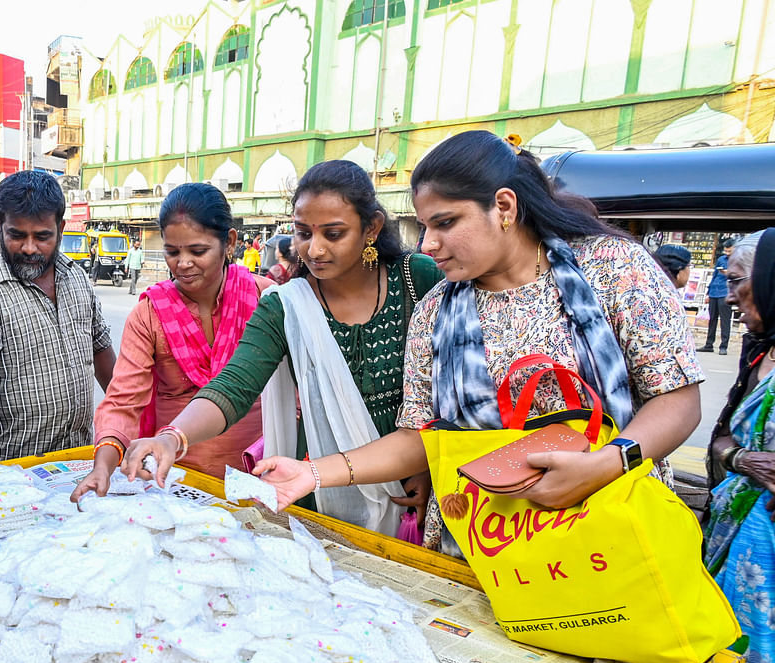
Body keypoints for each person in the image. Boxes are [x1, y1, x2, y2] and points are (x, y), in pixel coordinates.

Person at [223, 130, 702, 555]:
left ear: (505, 208)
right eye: (424, 226)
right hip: (483, 543)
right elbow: (418, 438)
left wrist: (606, 464)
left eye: (445, 223)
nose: (427, 243)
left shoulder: (611, 269)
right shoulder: (438, 309)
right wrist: (314, 474)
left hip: (609, 533)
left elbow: (677, 400)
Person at [124, 160, 442, 535]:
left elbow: (445, 389)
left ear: (370, 227)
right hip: (315, 479)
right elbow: (234, 386)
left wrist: (425, 464)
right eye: (304, 233)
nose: (316, 249)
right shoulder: (286, 306)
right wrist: (172, 437)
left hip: (410, 479)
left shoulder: (417, 278)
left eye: (334, 234)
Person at [73, 184, 269, 499]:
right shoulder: (150, 314)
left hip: (259, 477)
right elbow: (124, 401)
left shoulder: (264, 299)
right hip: (177, 480)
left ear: (229, 242)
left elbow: (297, 394)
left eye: (198, 251)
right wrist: (103, 466)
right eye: (172, 252)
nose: (183, 263)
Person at [0, 169, 117, 474]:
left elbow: (100, 347)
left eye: (42, 236)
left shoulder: (76, 277)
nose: (29, 248)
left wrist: (129, 411)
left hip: (79, 462)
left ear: (61, 229)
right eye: (16, 235)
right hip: (17, 473)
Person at [703, 229, 775, 663]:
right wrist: (740, 459)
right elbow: (724, 438)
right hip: (736, 542)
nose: (728, 295)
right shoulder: (761, 349)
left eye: (736, 281)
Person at [702, 237, 734, 355]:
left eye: (729, 251)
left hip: (726, 292)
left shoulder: (737, 260)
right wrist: (708, 292)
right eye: (726, 251)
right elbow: (715, 275)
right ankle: (709, 344)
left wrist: (728, 273)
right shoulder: (721, 259)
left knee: (725, 320)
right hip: (715, 291)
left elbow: (740, 277)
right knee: (712, 319)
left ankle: (723, 346)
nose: (727, 253)